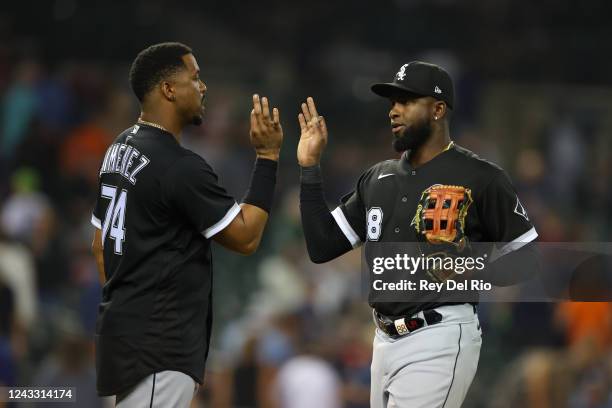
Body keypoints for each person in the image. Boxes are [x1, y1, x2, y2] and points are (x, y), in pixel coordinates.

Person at [297, 61, 539, 407]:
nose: (394, 111)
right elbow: (321, 245)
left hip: (440, 333)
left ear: (438, 109)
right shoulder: (377, 178)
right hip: (382, 340)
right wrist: (309, 169)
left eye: (406, 101)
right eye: (392, 102)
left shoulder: (481, 176)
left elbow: (527, 257)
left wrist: (471, 270)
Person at [90, 42, 283, 407]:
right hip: (159, 347)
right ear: (168, 89)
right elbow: (246, 236)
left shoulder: (118, 148)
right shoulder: (179, 165)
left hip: (130, 340)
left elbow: (100, 247)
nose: (203, 86)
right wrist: (268, 156)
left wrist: (127, 313)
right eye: (195, 77)